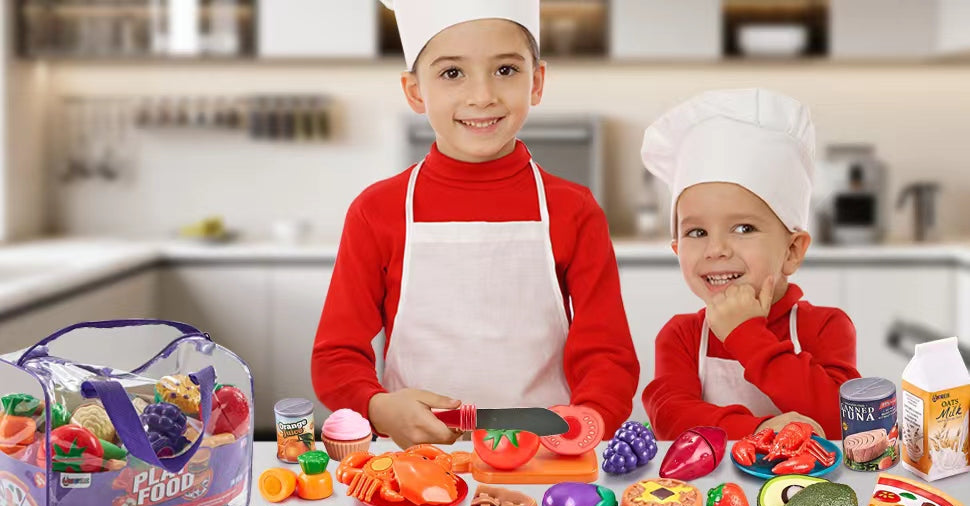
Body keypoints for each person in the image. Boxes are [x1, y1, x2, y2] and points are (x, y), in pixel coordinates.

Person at [311, 0, 639, 449]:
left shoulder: (574, 209)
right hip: (420, 457)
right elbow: (336, 354)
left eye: (505, 70)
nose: (482, 95)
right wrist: (377, 406)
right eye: (452, 73)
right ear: (415, 91)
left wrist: (589, 421)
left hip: (545, 455)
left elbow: (608, 355)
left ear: (536, 82)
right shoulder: (377, 210)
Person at [640, 88, 860, 440]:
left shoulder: (825, 328)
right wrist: (759, 431)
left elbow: (841, 422)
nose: (716, 249)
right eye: (697, 232)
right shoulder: (681, 336)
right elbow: (669, 418)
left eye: (744, 228)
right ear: (677, 249)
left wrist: (746, 335)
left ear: (792, 251)